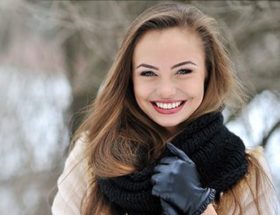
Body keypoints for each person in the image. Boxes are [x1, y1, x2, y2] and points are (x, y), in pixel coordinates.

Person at [51, 2, 279, 215]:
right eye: (148, 73)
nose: (166, 91)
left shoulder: (247, 172)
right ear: (130, 79)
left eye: (183, 71)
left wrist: (198, 206)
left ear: (207, 74)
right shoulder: (92, 157)